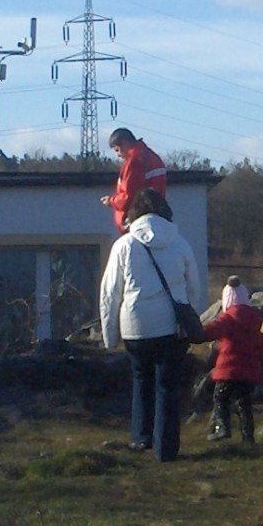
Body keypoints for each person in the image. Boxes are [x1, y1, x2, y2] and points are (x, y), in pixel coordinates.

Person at [98, 188, 201, 460]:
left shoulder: (124, 245)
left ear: (133, 214)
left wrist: (110, 336)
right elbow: (194, 287)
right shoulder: (180, 243)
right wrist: (189, 317)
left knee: (141, 378)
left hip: (135, 324)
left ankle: (141, 437)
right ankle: (165, 449)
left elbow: (110, 292)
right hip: (170, 325)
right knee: (167, 385)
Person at [199, 277, 263, 444]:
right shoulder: (254, 320)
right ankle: (248, 436)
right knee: (244, 402)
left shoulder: (228, 319)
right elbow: (259, 346)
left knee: (220, 398)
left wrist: (195, 332)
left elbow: (211, 331)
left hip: (228, 370)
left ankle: (223, 428)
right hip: (248, 370)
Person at [101, 127, 167, 232]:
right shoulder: (152, 157)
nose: (118, 155)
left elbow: (129, 196)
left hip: (136, 221)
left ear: (125, 143)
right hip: (156, 217)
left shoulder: (134, 162)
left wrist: (111, 201)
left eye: (117, 150)